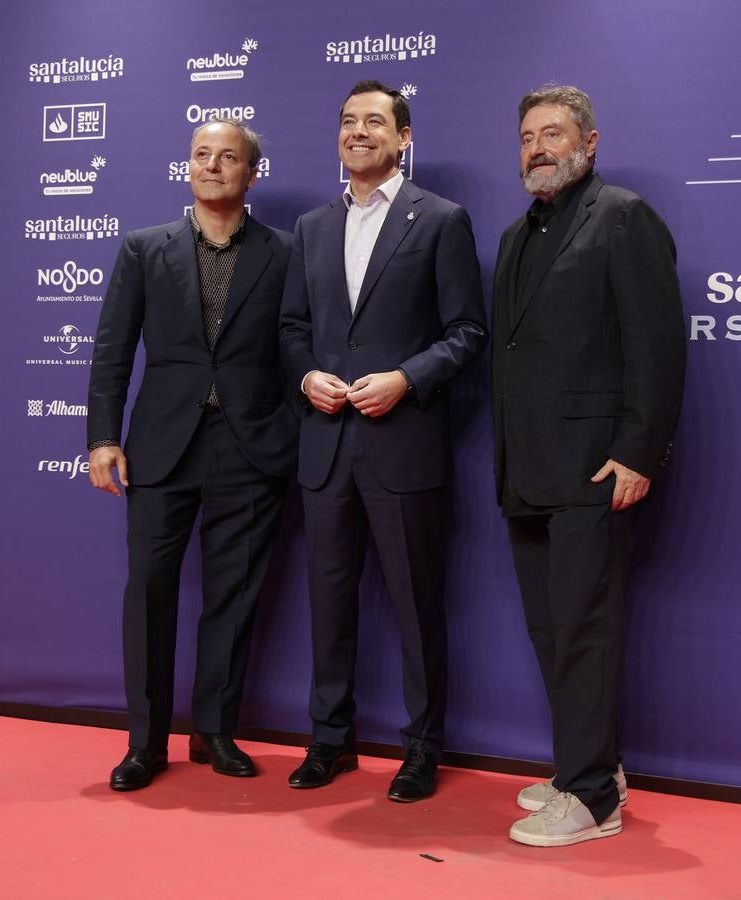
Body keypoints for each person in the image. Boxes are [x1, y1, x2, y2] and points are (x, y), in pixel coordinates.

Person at [278, 80, 486, 802]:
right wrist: (306, 376)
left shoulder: (441, 221)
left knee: (415, 606)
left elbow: (467, 332)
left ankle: (422, 748)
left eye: (374, 121)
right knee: (328, 605)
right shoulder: (309, 228)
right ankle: (329, 740)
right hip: (325, 446)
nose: (357, 132)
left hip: (403, 446)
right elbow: (291, 330)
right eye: (346, 122)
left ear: (403, 139)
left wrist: (405, 377)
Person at [491, 85, 685, 845]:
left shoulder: (623, 218)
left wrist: (637, 450)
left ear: (590, 142)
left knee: (584, 631)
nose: (538, 147)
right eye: (527, 136)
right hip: (525, 471)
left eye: (553, 133)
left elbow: (657, 345)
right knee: (551, 630)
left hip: (593, 470)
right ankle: (589, 764)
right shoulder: (515, 235)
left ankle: (592, 799)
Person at [86, 118, 296, 791]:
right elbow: (112, 352)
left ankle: (214, 731)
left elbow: (297, 349)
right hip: (160, 447)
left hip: (251, 446)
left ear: (250, 174)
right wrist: (101, 437)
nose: (211, 165)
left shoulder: (284, 253)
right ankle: (145, 743)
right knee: (148, 592)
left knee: (232, 598)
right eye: (201, 154)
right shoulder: (144, 249)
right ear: (187, 167)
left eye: (227, 156)